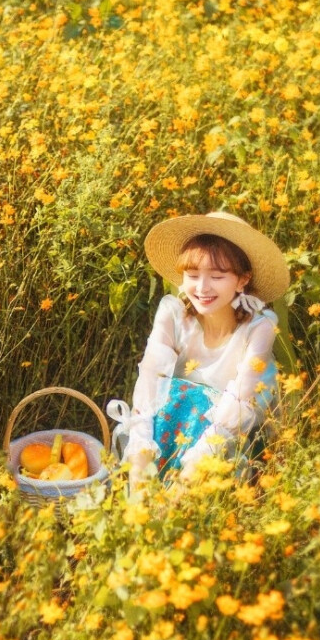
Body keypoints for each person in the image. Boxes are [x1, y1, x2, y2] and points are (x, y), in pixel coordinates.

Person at [107, 211, 290, 493]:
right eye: (193, 275)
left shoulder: (259, 327)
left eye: (217, 276)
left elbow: (237, 407)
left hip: (227, 434)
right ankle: (153, 491)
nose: (202, 288)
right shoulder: (173, 313)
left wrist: (187, 480)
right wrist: (140, 466)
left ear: (242, 280)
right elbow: (149, 383)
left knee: (200, 400)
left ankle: (182, 497)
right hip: (174, 423)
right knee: (171, 394)